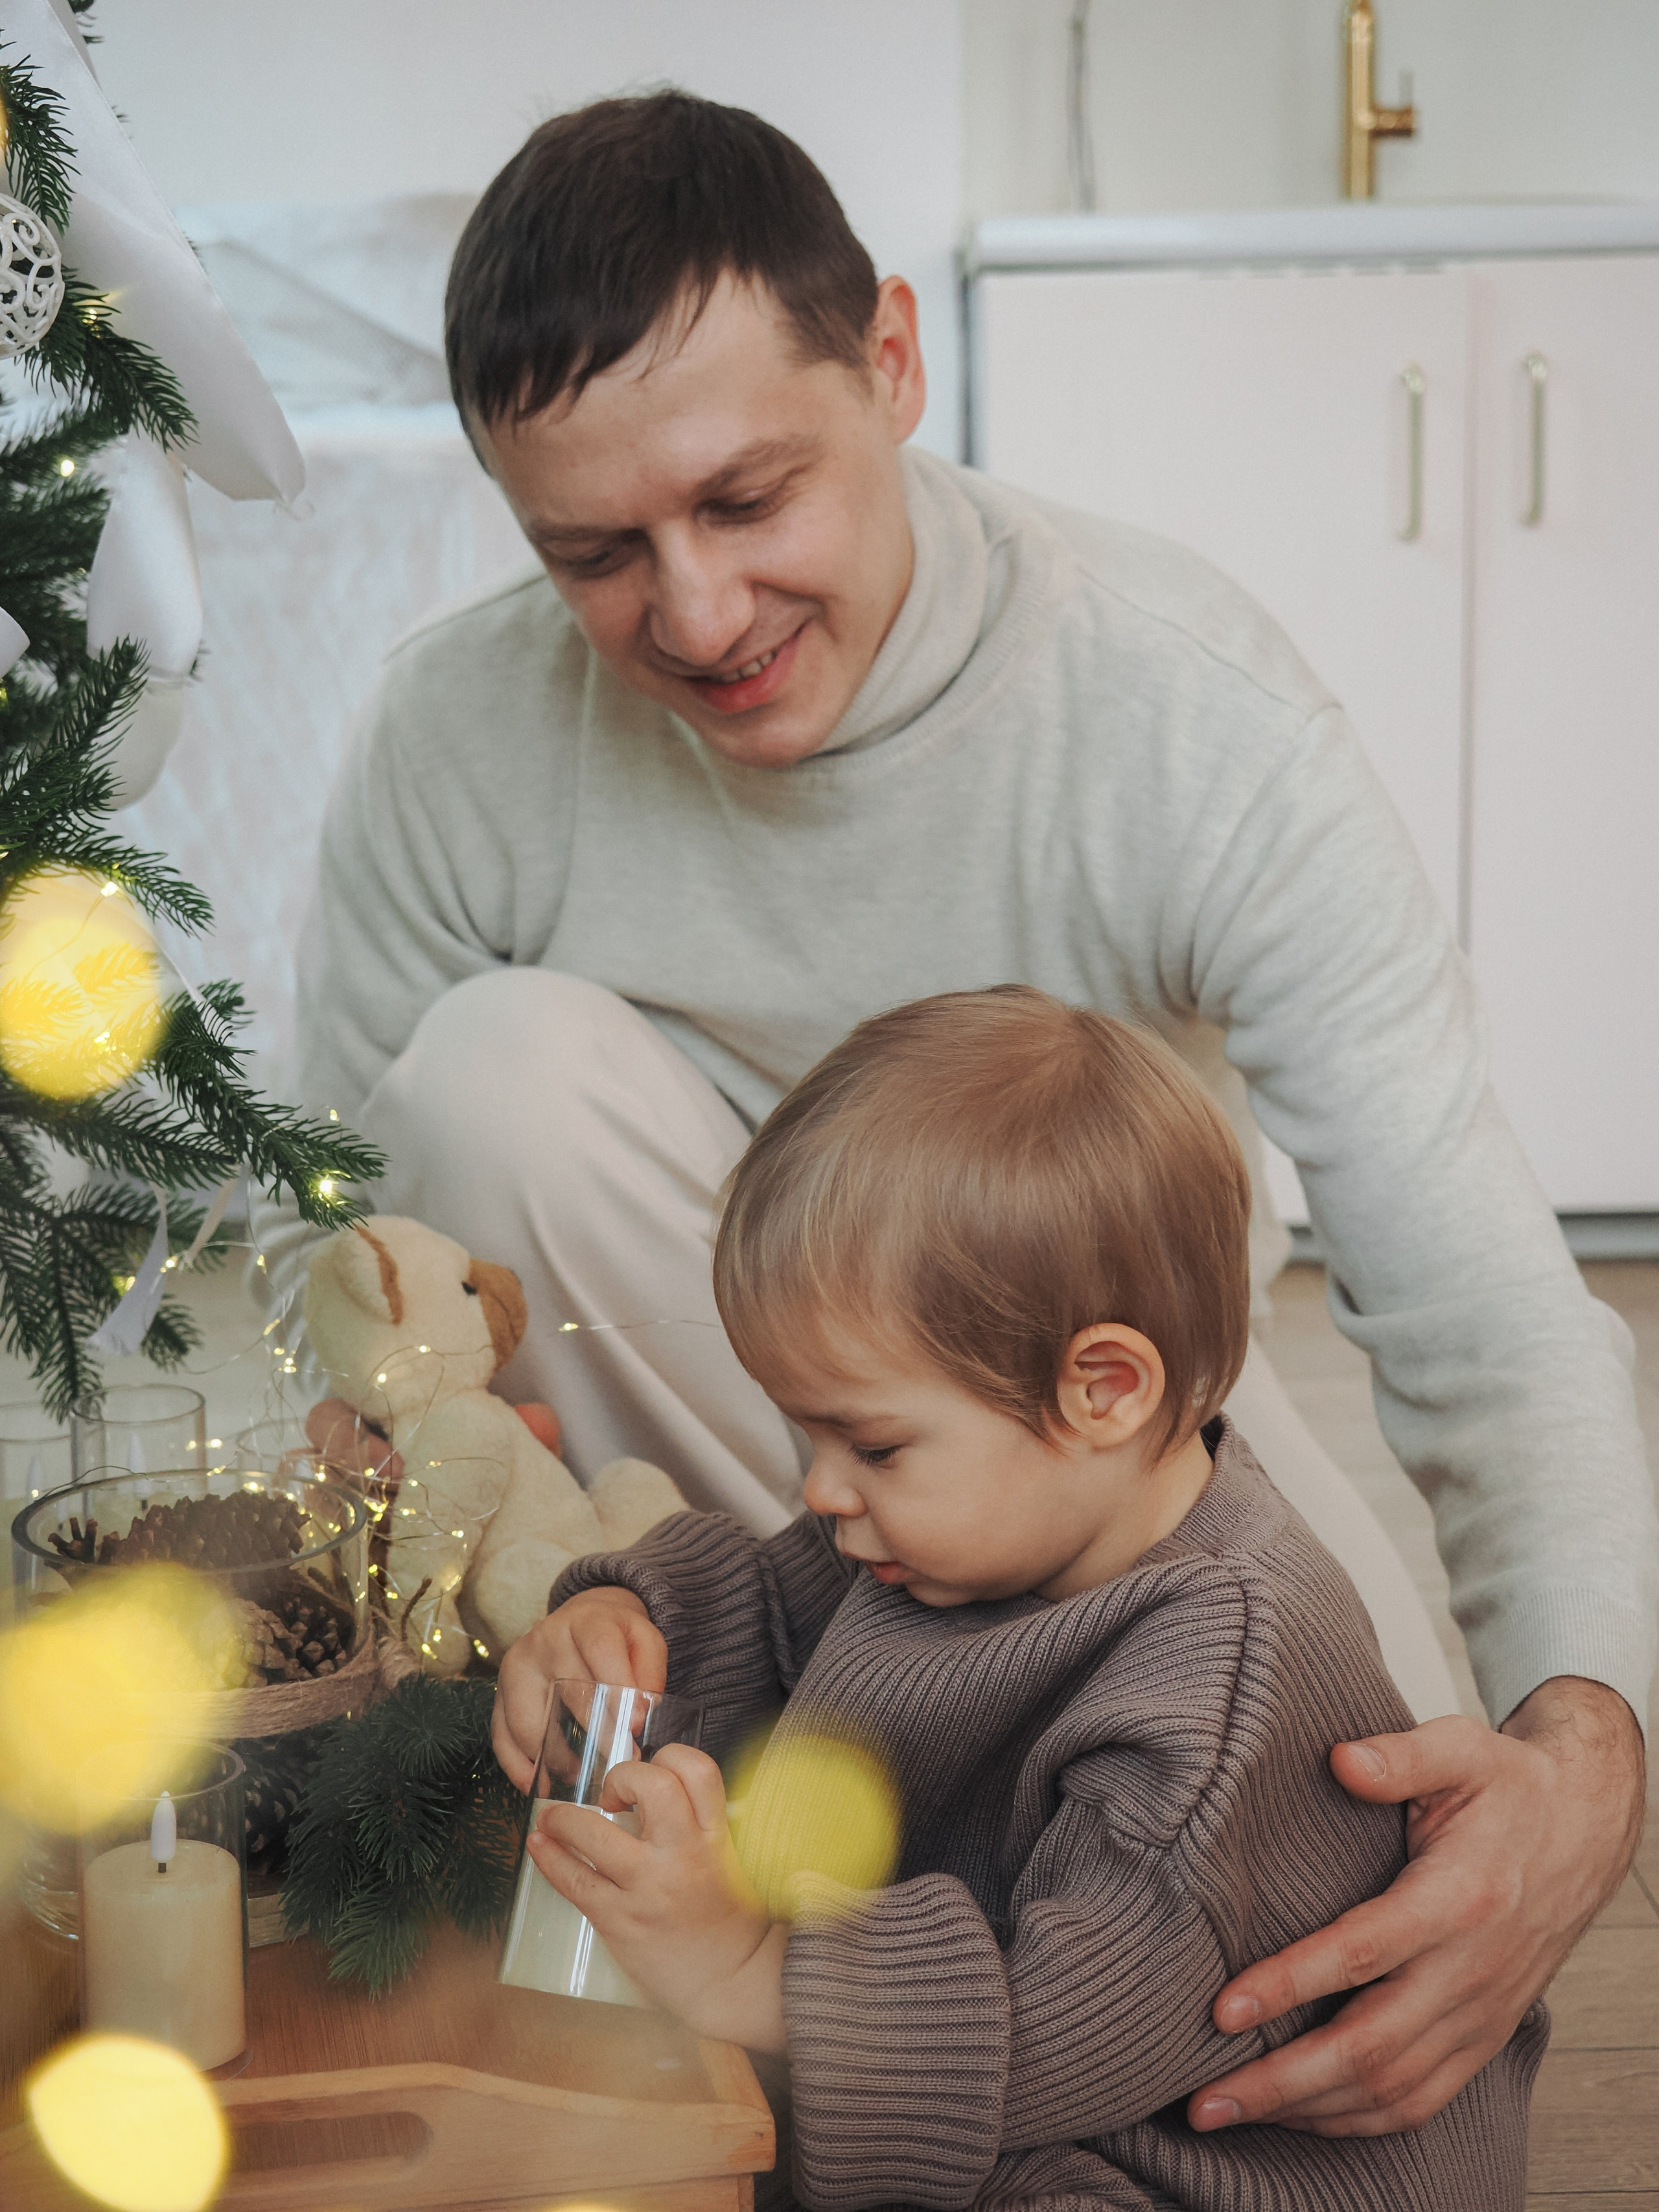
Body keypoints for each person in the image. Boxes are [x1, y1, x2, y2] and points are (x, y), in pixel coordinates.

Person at [274, 90, 1654, 2137]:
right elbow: (358, 1274)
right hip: (756, 1461)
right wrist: (516, 1556)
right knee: (491, 1074)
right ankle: (786, 1886)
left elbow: (1482, 1316)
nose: (700, 612)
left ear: (895, 363)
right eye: (595, 552)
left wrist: (1581, 1769)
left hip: (1115, 1442)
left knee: (1344, 1876)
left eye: (752, 497)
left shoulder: (1184, 710)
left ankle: (923, 1945)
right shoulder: (460, 737)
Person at [493, 987, 1547, 2211]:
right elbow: (781, 1608)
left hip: (1198, 2154)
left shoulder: (1220, 1676)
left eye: (873, 1446)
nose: (820, 1488)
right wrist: (629, 1618)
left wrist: (747, 1962)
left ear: (1102, 1390)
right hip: (999, 2077)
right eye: (807, 1436)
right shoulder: (968, 1526)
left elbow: (1062, 2031)